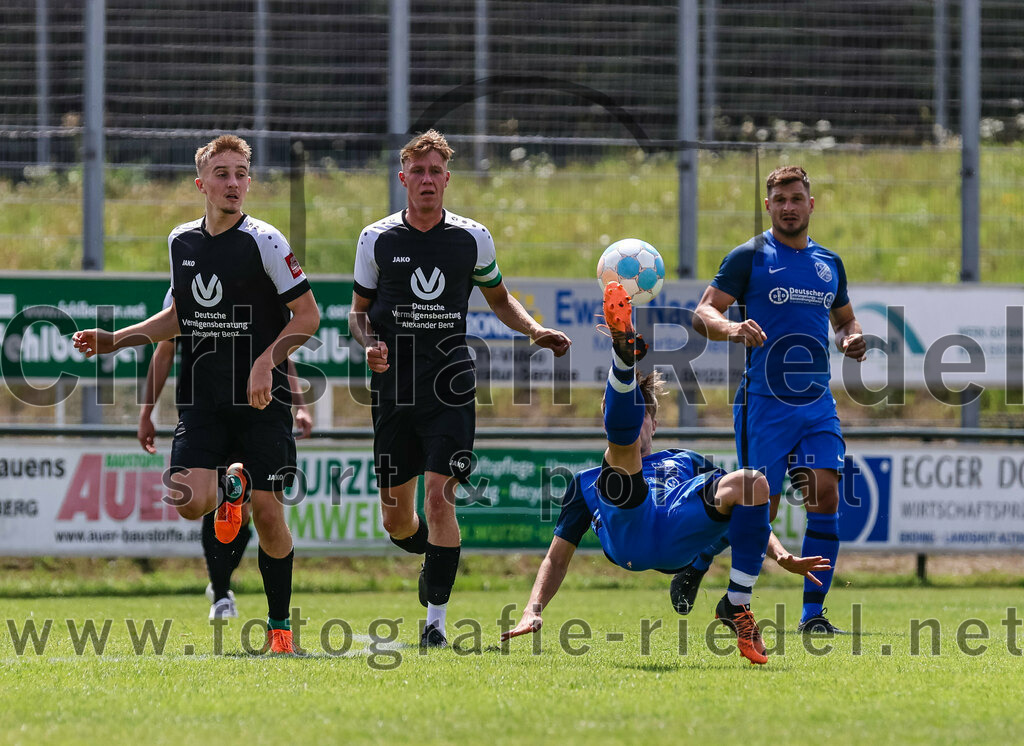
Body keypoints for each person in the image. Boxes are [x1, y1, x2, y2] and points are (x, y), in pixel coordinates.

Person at [73, 134, 319, 654]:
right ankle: (232, 491)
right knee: (189, 502)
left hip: (261, 401)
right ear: (201, 182)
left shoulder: (267, 241)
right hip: (204, 401)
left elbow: (308, 316)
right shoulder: (180, 241)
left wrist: (263, 362)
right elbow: (179, 318)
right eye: (223, 174)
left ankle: (279, 632)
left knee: (271, 516)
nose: (234, 183)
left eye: (242, 173)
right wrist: (114, 340)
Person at [502, 283, 831, 665]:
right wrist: (534, 607)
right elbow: (555, 559)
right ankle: (622, 362)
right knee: (622, 463)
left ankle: (736, 604)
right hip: (630, 536)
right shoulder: (587, 482)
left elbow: (748, 510)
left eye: (639, 411)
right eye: (622, 407)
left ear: (653, 423)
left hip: (679, 529)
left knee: (754, 482)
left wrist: (781, 554)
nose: (634, 419)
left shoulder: (684, 459)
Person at [348, 130, 572, 648]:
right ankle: (429, 557)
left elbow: (500, 297)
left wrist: (534, 329)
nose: (427, 180)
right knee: (397, 518)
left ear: (447, 179)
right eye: (417, 172)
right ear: (402, 178)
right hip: (392, 388)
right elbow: (358, 314)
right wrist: (368, 344)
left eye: (435, 172)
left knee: (440, 497)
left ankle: (435, 623)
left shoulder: (472, 237)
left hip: (450, 383)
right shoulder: (375, 238)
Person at [687, 165, 866, 634]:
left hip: (815, 404)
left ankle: (813, 615)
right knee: (757, 507)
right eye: (780, 199)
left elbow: (846, 320)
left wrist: (851, 338)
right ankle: (711, 568)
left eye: (796, 198)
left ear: (812, 203)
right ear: (768, 205)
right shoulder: (749, 256)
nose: (789, 206)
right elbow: (703, 311)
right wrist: (731, 328)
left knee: (824, 494)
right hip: (762, 403)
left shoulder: (830, 263)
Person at [137, 294, 314, 621]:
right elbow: (163, 353)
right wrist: (146, 412)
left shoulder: (261, 276)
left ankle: (225, 592)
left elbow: (282, 355)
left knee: (252, 513)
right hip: (208, 412)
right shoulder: (183, 286)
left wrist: (301, 405)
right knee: (207, 500)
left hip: (260, 410)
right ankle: (220, 592)